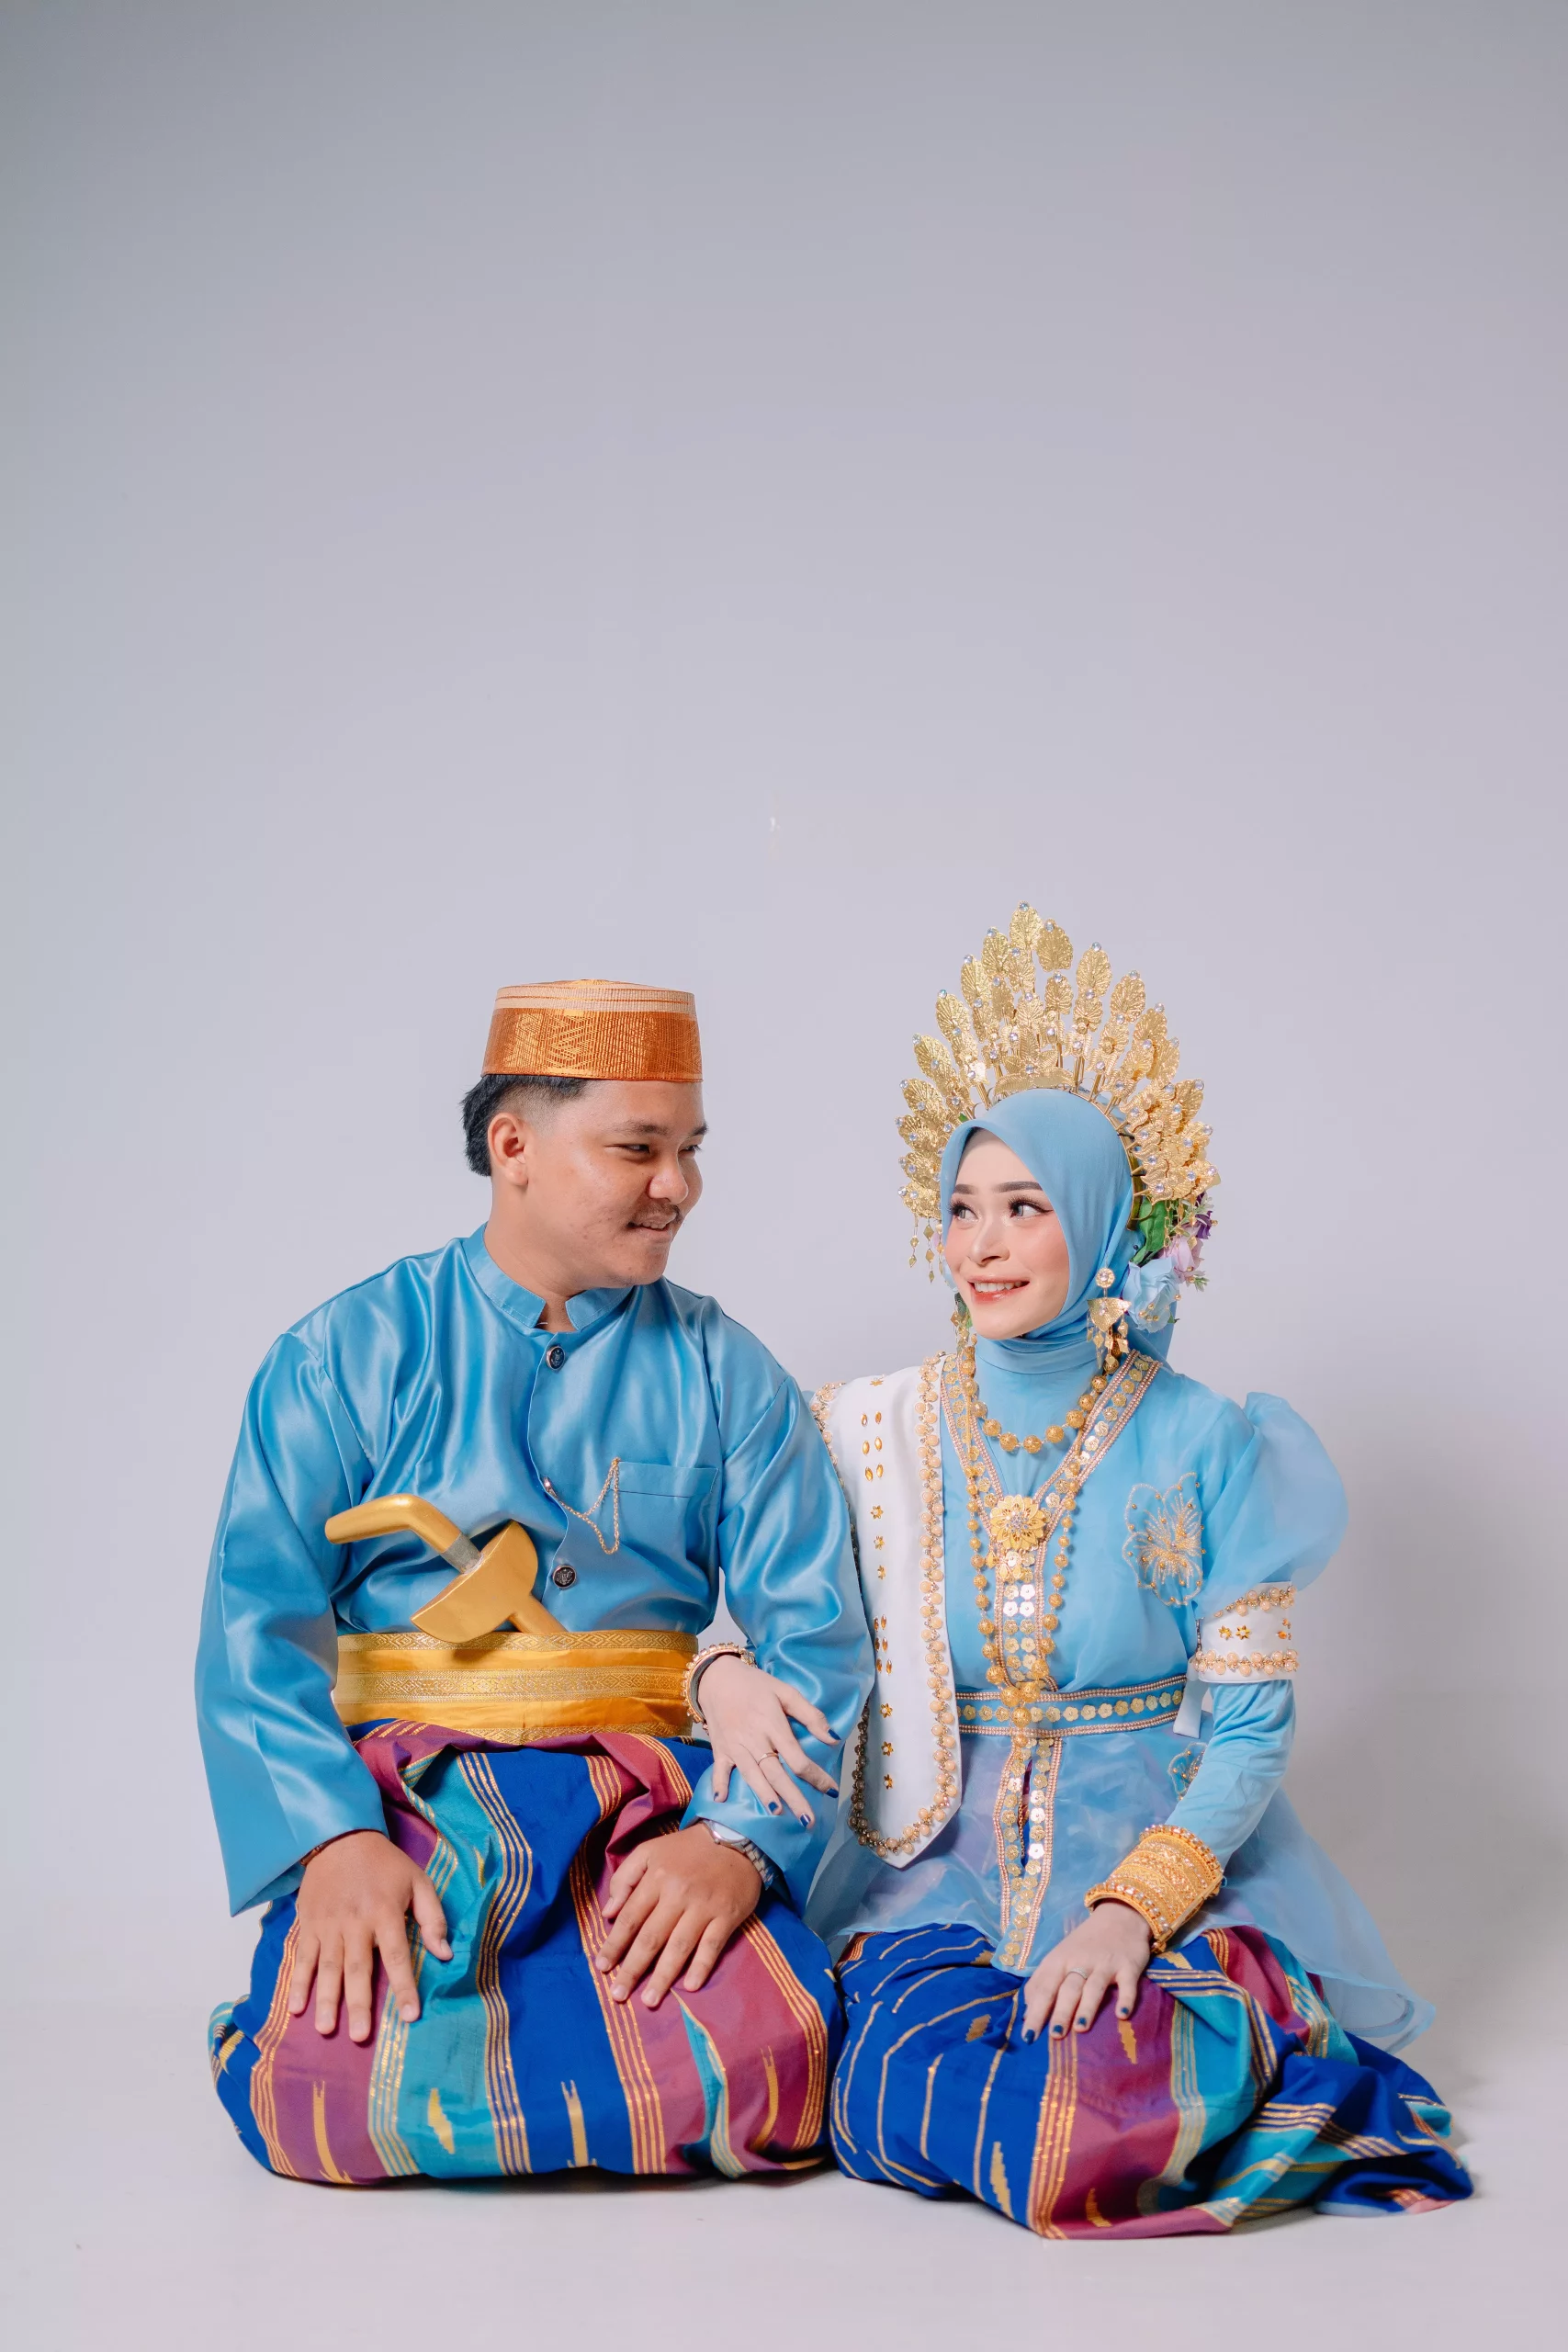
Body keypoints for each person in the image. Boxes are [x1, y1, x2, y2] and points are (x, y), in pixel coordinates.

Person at [702, 910, 1471, 2234]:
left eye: (1025, 1208)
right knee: (896, 2088)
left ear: (1107, 1224)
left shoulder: (1204, 1441)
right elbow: (765, 1618)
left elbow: (1249, 1728)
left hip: (1160, 1861)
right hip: (930, 1867)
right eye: (961, 1210)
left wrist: (1130, 1913)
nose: (982, 1245)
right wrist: (719, 1670)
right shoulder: (870, 1430)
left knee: (1114, 2101)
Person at [198, 977, 872, 2185]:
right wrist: (333, 1843)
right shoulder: (345, 1354)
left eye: (690, 1150)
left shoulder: (728, 1373)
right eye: (638, 1148)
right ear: (512, 1146)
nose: (678, 1186)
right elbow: (258, 1629)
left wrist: (737, 1845)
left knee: (778, 2058)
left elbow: (816, 1644)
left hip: (642, 1813)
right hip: (412, 1807)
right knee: (326, 2093)